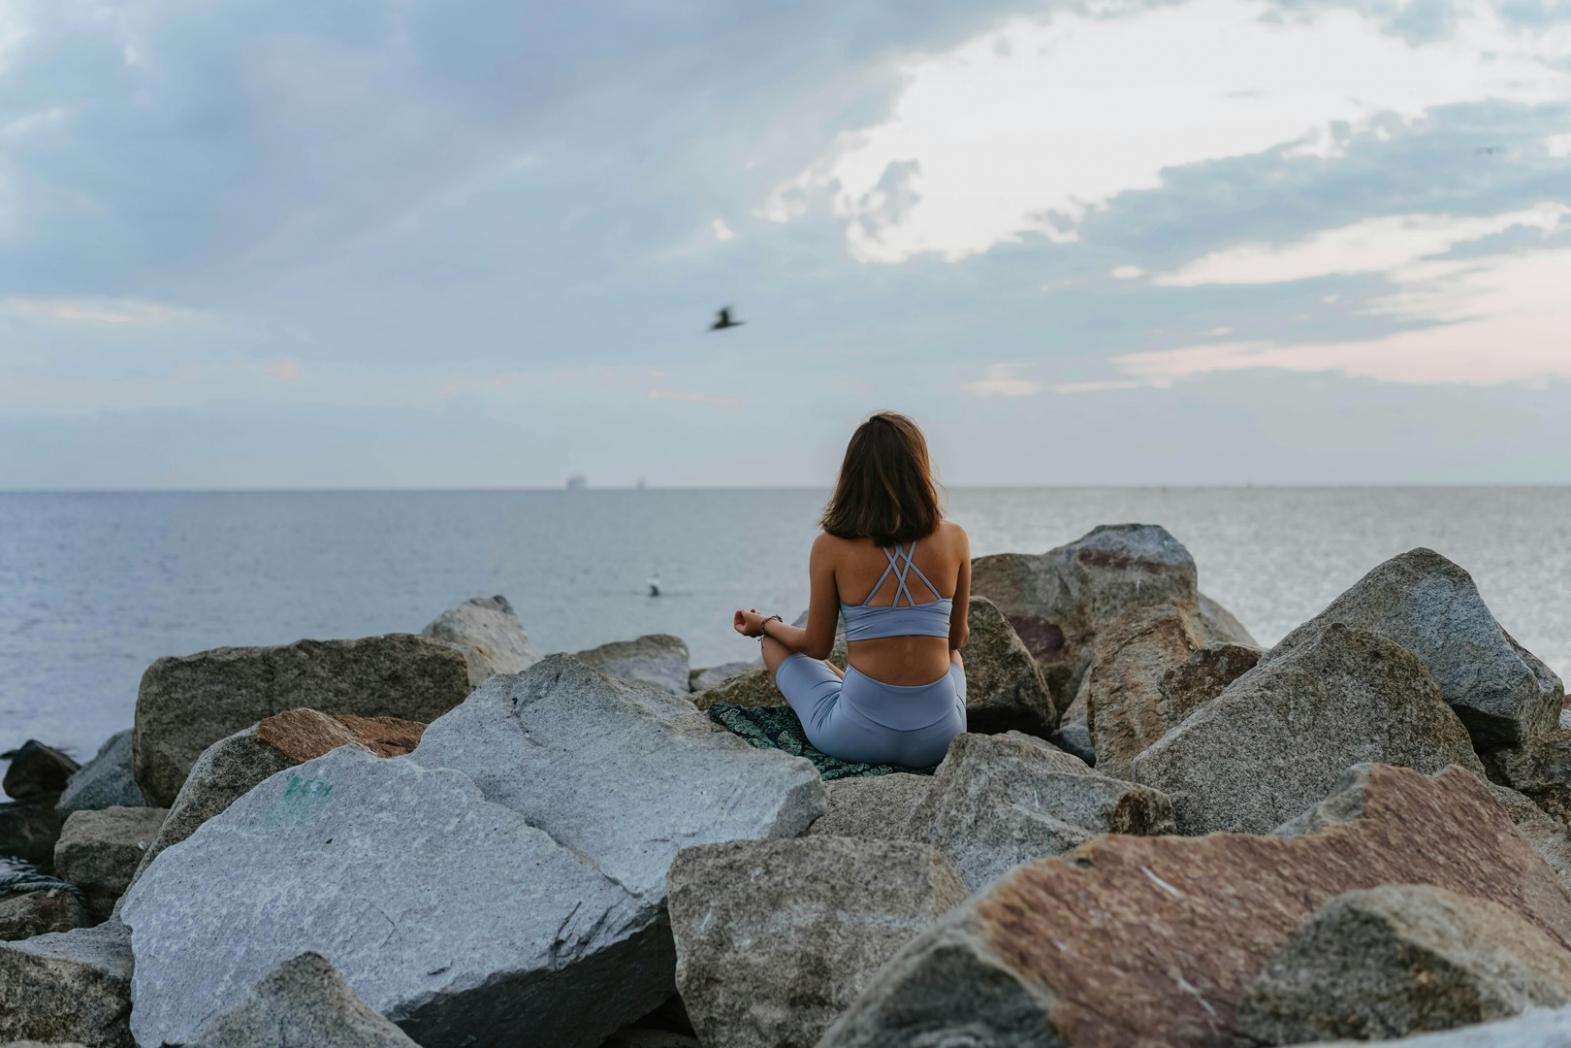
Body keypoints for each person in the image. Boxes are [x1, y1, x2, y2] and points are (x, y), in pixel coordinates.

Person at [733, 412, 969, 767]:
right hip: (939, 740)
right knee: (952, 657)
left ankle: (856, 691)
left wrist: (766, 624)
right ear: (919, 467)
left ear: (853, 474)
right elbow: (956, 639)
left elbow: (817, 646)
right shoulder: (955, 538)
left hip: (854, 739)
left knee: (773, 643)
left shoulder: (830, 546)